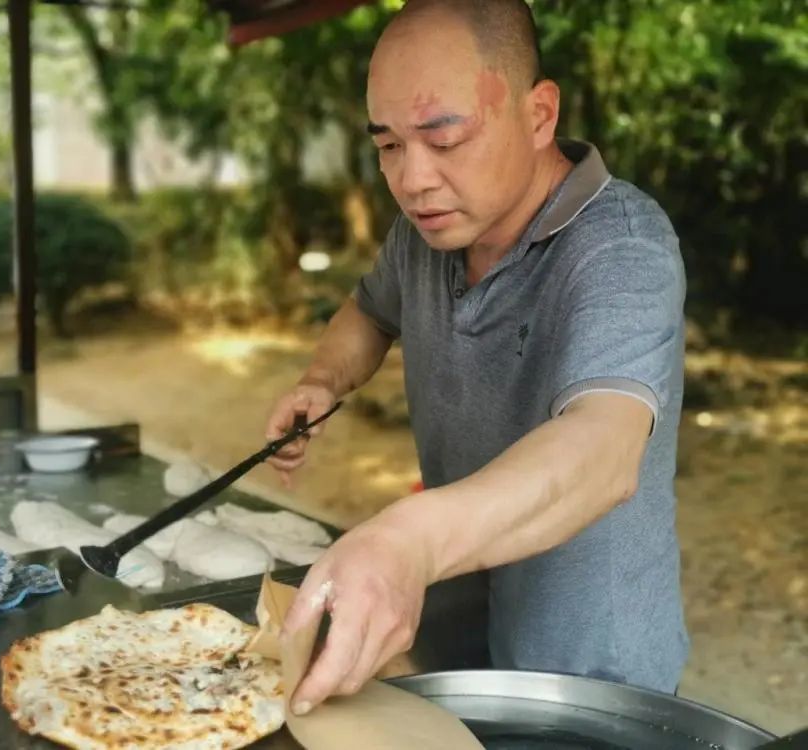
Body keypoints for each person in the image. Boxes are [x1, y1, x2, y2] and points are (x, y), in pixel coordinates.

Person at [263, 0, 689, 716]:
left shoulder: (622, 246)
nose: (413, 179)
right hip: (457, 644)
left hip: (591, 680)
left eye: (443, 137)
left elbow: (602, 448)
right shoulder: (423, 236)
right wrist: (321, 380)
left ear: (538, 115)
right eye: (390, 145)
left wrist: (407, 541)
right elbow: (370, 312)